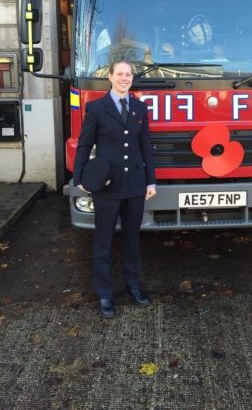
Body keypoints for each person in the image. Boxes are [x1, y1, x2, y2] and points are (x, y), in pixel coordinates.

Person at [73, 60, 156, 318]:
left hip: (134, 186)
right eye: (119, 74)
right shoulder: (96, 108)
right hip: (107, 186)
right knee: (103, 242)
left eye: (128, 74)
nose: (124, 78)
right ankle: (105, 294)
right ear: (109, 77)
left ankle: (132, 286)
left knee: (132, 240)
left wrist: (150, 181)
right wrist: (81, 179)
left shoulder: (140, 108)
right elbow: (84, 145)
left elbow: (145, 147)